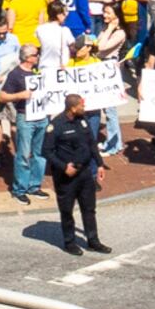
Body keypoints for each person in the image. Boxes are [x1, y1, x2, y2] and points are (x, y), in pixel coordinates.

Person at [45, 97, 106, 255]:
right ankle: (69, 242)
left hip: (85, 172)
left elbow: (91, 143)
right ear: (72, 108)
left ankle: (93, 240)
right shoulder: (56, 125)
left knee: (89, 208)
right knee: (67, 210)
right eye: (81, 105)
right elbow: (46, 151)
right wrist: (63, 167)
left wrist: (99, 164)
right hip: (66, 175)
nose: (84, 107)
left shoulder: (82, 120)